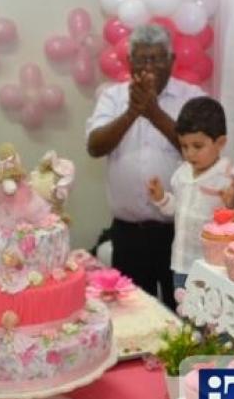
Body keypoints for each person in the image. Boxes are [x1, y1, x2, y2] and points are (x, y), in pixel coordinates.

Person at [86, 24, 205, 308]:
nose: (149, 67)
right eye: (141, 59)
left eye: (156, 59)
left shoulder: (192, 96)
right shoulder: (113, 97)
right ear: (130, 62)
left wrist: (154, 113)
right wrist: (132, 112)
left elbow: (202, 151)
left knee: (185, 314)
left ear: (171, 60)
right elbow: (95, 146)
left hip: (179, 233)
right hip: (129, 234)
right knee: (133, 315)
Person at [147, 96, 234, 293]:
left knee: (208, 311)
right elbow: (176, 209)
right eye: (184, 146)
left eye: (197, 146)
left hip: (211, 268)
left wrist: (231, 206)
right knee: (183, 307)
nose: (189, 153)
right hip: (181, 263)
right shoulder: (182, 173)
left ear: (220, 142)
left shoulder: (227, 176)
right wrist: (161, 198)